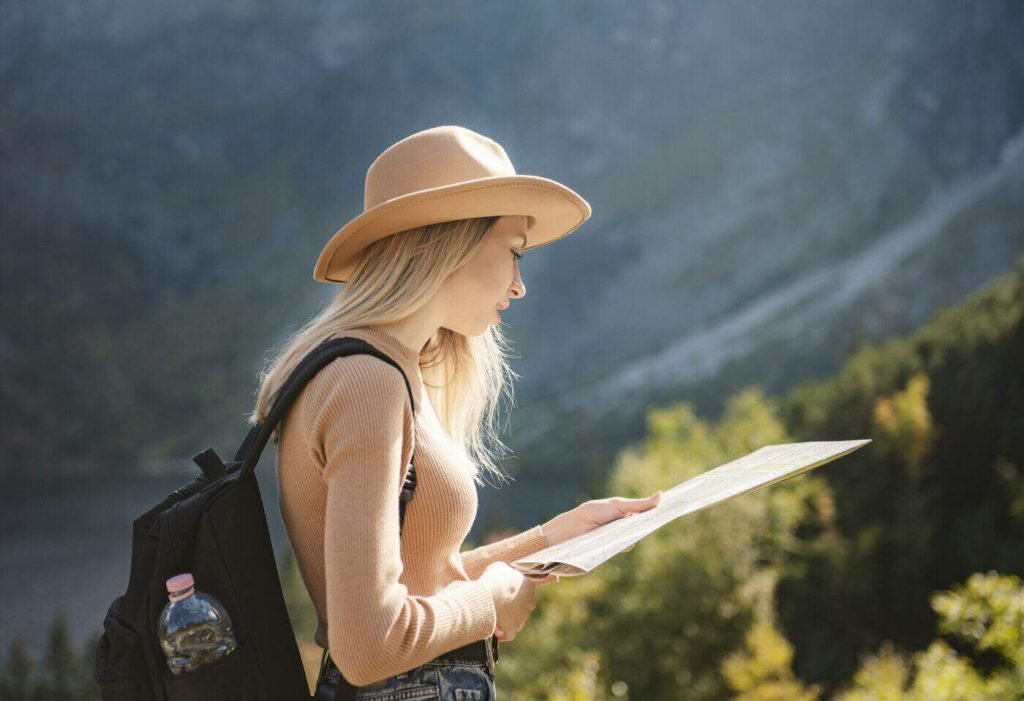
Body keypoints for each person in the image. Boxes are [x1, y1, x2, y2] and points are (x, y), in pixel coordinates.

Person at [248, 125, 662, 700]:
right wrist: (492, 600)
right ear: (450, 242)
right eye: (513, 252)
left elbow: (416, 583)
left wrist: (548, 542)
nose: (519, 286)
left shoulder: (371, 370)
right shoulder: (368, 382)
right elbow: (368, 644)